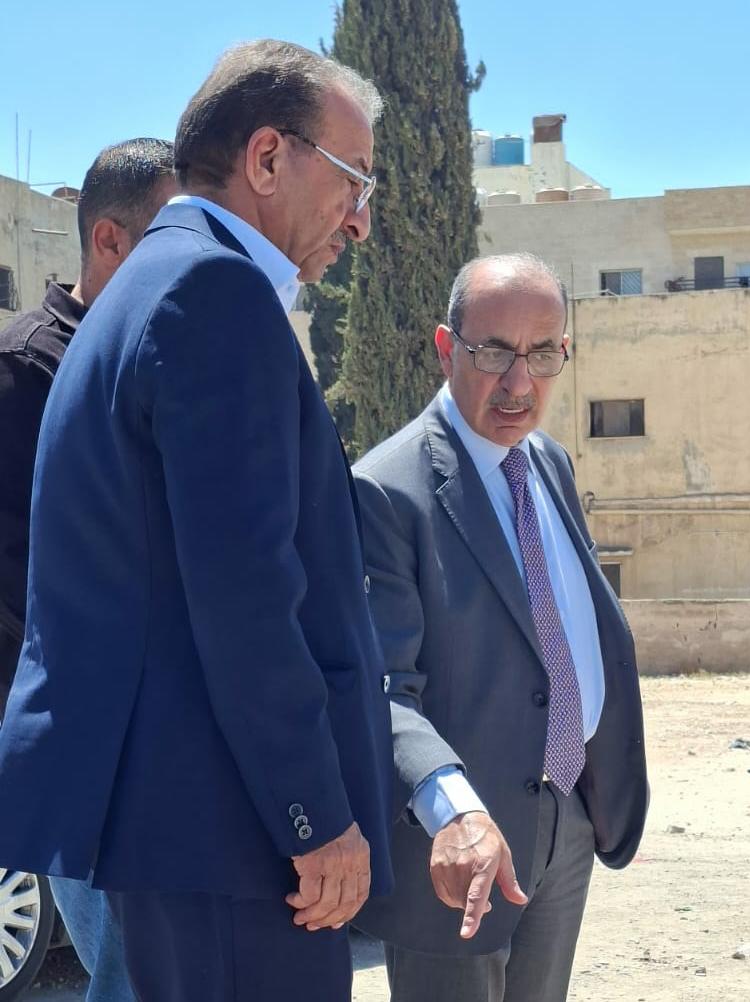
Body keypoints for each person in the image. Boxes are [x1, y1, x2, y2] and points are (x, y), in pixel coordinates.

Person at [0, 40, 393, 1002]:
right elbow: (248, 598)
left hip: (178, 827)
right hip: (231, 837)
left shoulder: (150, 284)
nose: (362, 220)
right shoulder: (214, 294)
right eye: (354, 180)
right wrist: (315, 817)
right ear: (267, 157)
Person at [353, 253, 649, 1002]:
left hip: (565, 822)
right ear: (446, 349)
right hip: (456, 850)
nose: (520, 383)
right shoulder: (386, 491)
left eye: (543, 353)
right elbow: (381, 689)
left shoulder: (547, 461)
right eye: (493, 353)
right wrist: (453, 813)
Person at [0, 136, 177, 1002]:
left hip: (147, 744)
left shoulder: (151, 360)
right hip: (82, 744)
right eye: (172, 240)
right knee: (139, 969)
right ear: (108, 240)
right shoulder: (22, 374)